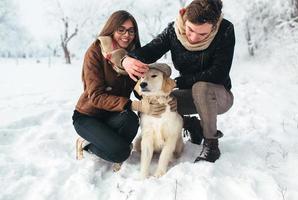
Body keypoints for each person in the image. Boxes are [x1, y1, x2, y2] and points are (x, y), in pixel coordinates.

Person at [121, 0, 235, 163]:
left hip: (217, 96)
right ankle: (192, 125)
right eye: (190, 30)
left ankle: (211, 144)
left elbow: (219, 73)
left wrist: (179, 81)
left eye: (203, 34)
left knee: (200, 87)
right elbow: (149, 51)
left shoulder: (225, 30)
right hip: (189, 94)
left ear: (215, 25)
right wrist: (127, 60)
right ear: (183, 17)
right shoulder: (173, 31)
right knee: (158, 101)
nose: (194, 38)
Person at [72, 10, 168, 165]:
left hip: (114, 114)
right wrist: (135, 105)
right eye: (121, 30)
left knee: (131, 119)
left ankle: (110, 143)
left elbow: (139, 86)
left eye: (131, 31)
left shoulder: (133, 54)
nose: (126, 35)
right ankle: (86, 144)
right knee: (121, 152)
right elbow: (96, 97)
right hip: (88, 116)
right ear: (111, 30)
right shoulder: (95, 52)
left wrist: (154, 99)